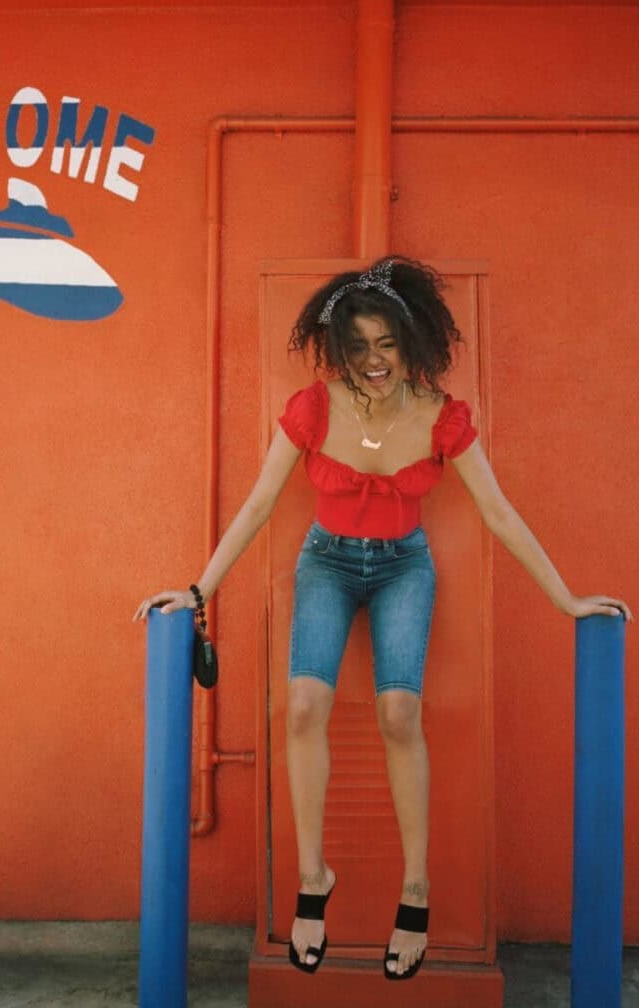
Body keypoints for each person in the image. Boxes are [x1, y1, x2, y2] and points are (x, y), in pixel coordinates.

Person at [132, 254, 633, 980]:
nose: (374, 361)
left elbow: (497, 511)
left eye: (388, 345)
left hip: (404, 566)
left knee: (401, 715)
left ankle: (417, 889)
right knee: (303, 705)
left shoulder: (442, 417)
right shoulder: (312, 407)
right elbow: (259, 503)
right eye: (359, 346)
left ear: (414, 343)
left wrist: (567, 599)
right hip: (327, 562)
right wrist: (198, 589)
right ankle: (313, 880)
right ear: (340, 349)